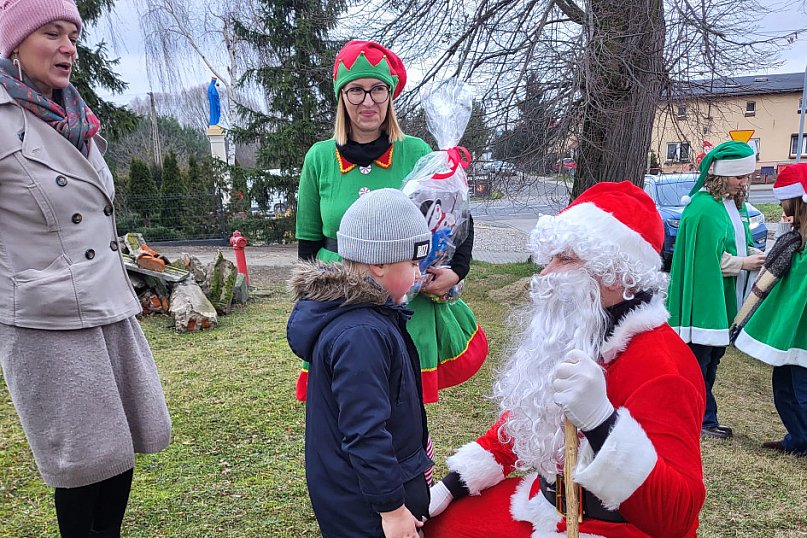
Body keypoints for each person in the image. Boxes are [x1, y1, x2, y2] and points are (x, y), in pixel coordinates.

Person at [426, 181, 706, 537]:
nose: (545, 274)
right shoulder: (583, 328)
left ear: (616, 273)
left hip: (609, 528)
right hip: (543, 507)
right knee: (436, 526)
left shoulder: (663, 367)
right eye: (551, 258)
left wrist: (601, 421)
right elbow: (531, 421)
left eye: (566, 259)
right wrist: (453, 484)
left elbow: (675, 516)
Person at [0, 1, 172, 536]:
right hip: (45, 319)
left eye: (72, 35)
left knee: (120, 451)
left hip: (106, 306)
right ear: (14, 42)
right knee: (82, 464)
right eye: (52, 33)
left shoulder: (76, 117)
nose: (68, 48)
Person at [294, 40, 487, 405]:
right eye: (356, 90)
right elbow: (306, 246)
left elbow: (457, 214)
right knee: (348, 406)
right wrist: (312, 307)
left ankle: (413, 464)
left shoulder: (416, 152)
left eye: (378, 89)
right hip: (341, 299)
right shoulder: (318, 158)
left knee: (403, 408)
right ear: (341, 96)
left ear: (390, 95)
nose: (368, 101)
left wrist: (457, 271)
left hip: (406, 299)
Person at [287, 189, 434, 537]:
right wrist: (393, 510)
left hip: (371, 493)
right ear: (379, 264)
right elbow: (364, 432)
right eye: (412, 263)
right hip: (365, 508)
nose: (418, 274)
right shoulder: (360, 335)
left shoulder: (372, 317)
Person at [667, 140, 765, 440]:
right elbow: (708, 261)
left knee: (711, 361)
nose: (745, 182)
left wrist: (754, 254)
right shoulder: (704, 209)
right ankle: (701, 418)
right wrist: (745, 262)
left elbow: (732, 242)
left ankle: (703, 416)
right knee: (699, 362)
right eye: (740, 177)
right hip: (703, 302)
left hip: (720, 300)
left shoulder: (727, 205)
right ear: (723, 175)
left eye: (747, 176)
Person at [733, 163, 807, 456]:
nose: (782, 209)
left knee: (801, 392)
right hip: (789, 326)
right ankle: (799, 439)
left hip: (802, 330)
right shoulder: (795, 239)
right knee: (785, 388)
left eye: (786, 203)